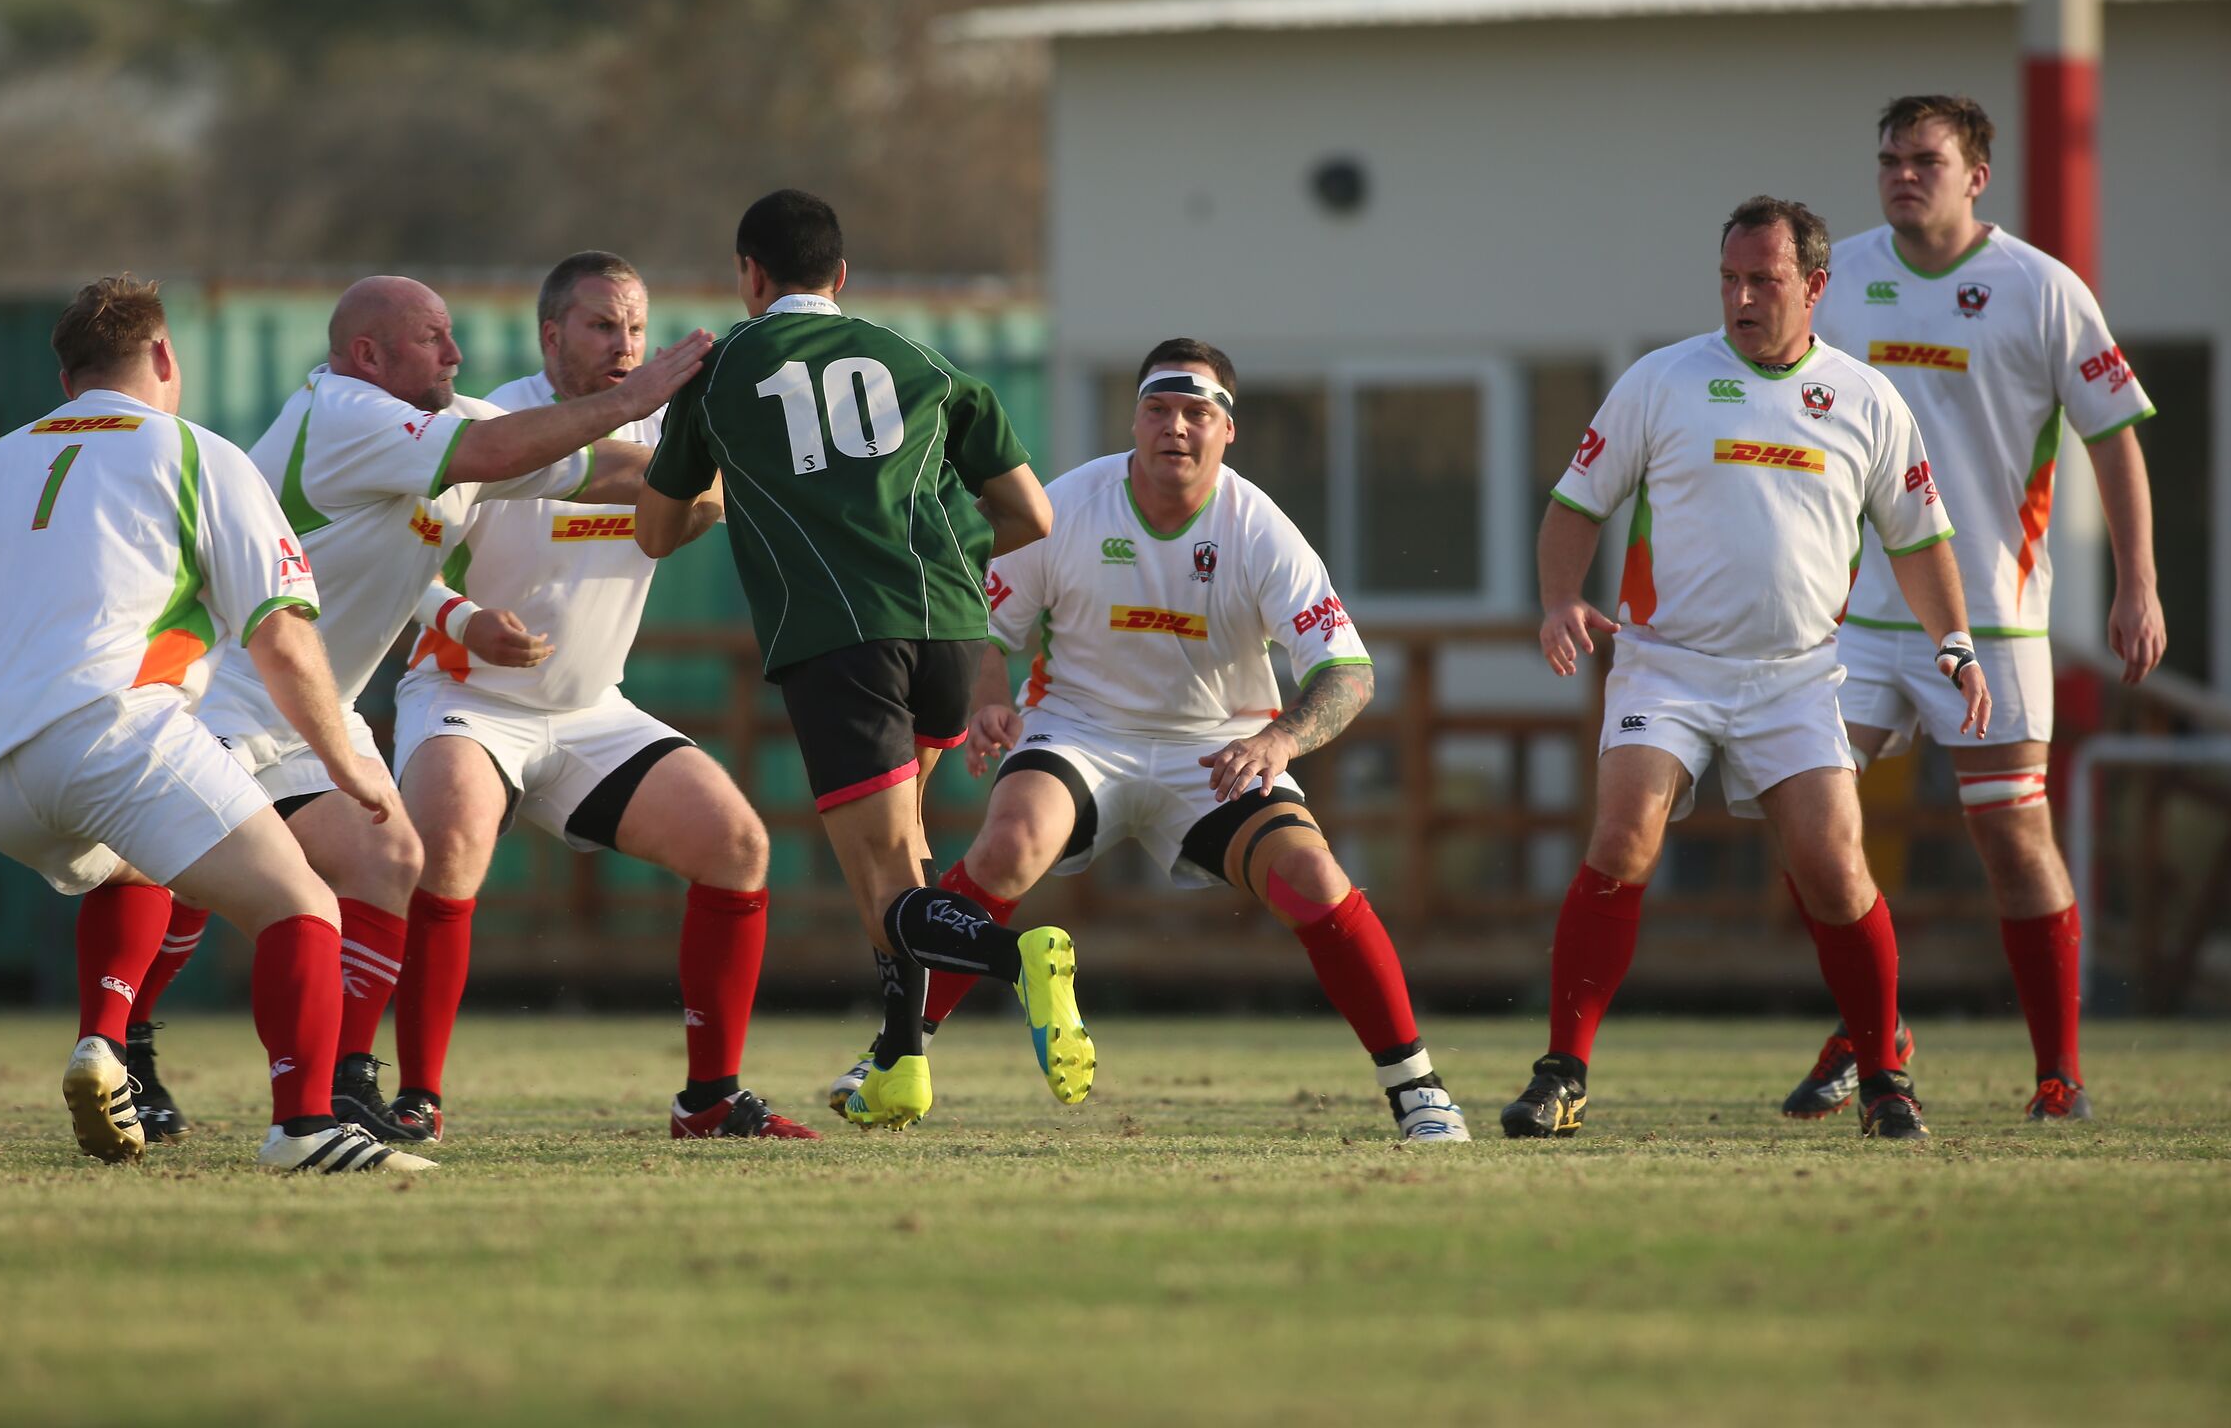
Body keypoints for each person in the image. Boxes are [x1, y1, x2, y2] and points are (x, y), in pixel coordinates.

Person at [831, 339, 1472, 1143]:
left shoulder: (1259, 528)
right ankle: (897, 1051)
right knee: (1008, 845)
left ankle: (1419, 1091)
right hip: (1081, 731)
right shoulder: (1066, 506)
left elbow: (1349, 673)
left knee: (1313, 877)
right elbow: (985, 630)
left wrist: (1278, 743)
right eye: (1157, 409)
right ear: (1134, 419)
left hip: (1218, 751)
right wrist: (990, 697)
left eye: (1196, 412)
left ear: (1227, 430)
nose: (1175, 427)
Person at [0, 275, 432, 1173]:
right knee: (302, 904)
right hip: (108, 734)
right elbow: (283, 640)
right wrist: (349, 763)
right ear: (166, 357)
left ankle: (105, 1040)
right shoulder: (196, 452)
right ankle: (304, 1129)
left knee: (135, 862)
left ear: (68, 381)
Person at [139, 274, 708, 1142]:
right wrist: (636, 398)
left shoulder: (441, 431)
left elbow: (606, 470)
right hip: (219, 687)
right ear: (368, 354)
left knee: (387, 856)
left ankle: (346, 1080)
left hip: (307, 709)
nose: (456, 352)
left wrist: (711, 457)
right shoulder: (344, 415)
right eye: (434, 337)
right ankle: (124, 1048)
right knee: (193, 880)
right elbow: (496, 454)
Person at [1512, 196, 1992, 1142]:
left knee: (1831, 865)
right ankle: (1562, 1072)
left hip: (1798, 676)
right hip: (1667, 666)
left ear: (1814, 286)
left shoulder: (1868, 398)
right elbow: (1575, 503)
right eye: (1729, 278)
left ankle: (1886, 1078)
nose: (1741, 296)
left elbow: (1921, 536)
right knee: (1624, 836)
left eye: (1763, 280)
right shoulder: (1663, 380)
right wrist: (1562, 598)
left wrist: (1957, 643)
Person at [637, 188, 1078, 1131]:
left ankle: (1022, 956)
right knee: (907, 853)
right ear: (841, 276)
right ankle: (902, 1065)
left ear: (749, 275)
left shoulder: (722, 371)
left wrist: (727, 500)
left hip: (843, 643)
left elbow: (654, 529)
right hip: (953, 634)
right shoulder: (921, 361)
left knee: (885, 884)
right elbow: (1031, 517)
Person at [1789, 94, 2163, 1123]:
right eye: (1889, 160)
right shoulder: (1840, 277)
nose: (1903, 174)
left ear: (1975, 174)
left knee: (2012, 840)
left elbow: (2115, 437)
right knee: (1810, 828)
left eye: (1925, 159)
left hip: (1993, 619)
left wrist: (2139, 581)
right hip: (1857, 616)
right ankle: (1880, 1033)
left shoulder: (2040, 289)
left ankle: (2058, 1073)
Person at [387, 252, 815, 1140]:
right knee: (452, 845)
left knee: (737, 845)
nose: (625, 346)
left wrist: (725, 487)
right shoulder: (492, 425)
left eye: (634, 328)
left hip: (589, 712)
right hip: (470, 700)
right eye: (600, 326)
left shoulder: (663, 435)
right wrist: (465, 621)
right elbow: (399, 571)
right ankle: (416, 1097)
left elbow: (694, 510)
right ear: (551, 335)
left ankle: (709, 1101)